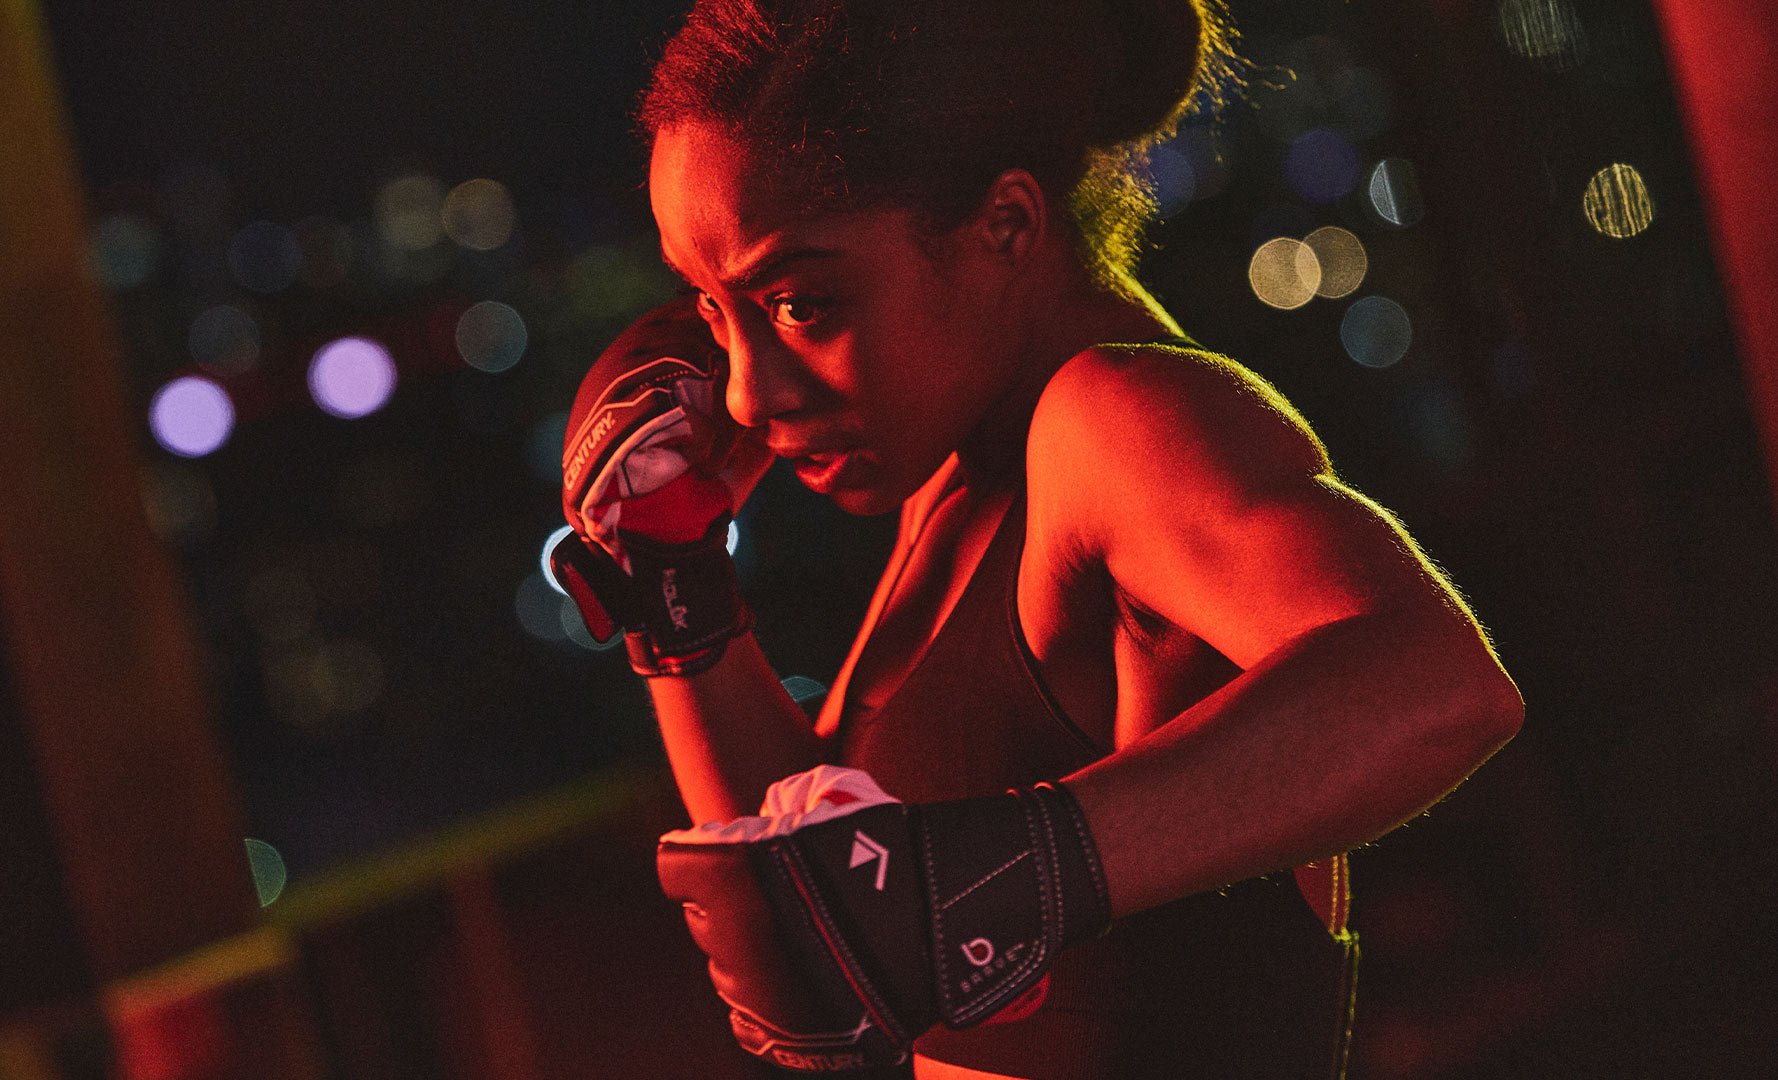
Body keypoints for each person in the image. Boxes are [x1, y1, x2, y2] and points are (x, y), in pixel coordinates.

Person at [550, 1, 1524, 1076]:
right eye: (709, 309)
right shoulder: (957, 478)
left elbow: (1436, 685)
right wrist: (673, 585)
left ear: (1005, 226)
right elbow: (816, 938)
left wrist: (1019, 872)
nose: (744, 394)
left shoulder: (1115, 416)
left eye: (798, 303)